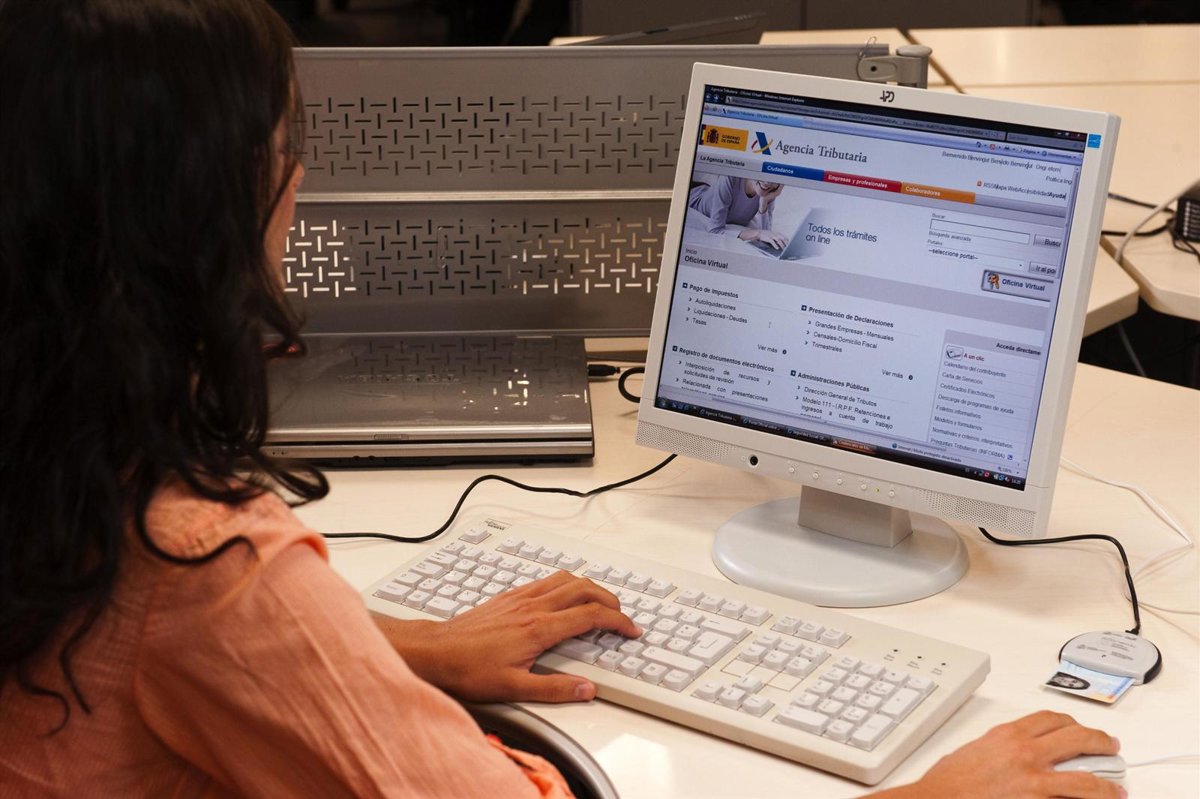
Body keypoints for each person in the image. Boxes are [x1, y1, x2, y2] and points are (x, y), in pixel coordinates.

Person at [0, 2, 1124, 798]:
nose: (303, 182)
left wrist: (400, 648)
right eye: (287, 153)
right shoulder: (202, 563)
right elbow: (208, 626)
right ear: (202, 220)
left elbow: (181, 653)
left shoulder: (54, 461)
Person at [688, 175, 791, 249]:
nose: (767, 182)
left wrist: (764, 201)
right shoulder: (730, 177)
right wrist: (757, 234)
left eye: (774, 178)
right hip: (691, 194)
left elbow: (767, 233)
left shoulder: (768, 192)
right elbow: (715, 230)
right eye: (764, 173)